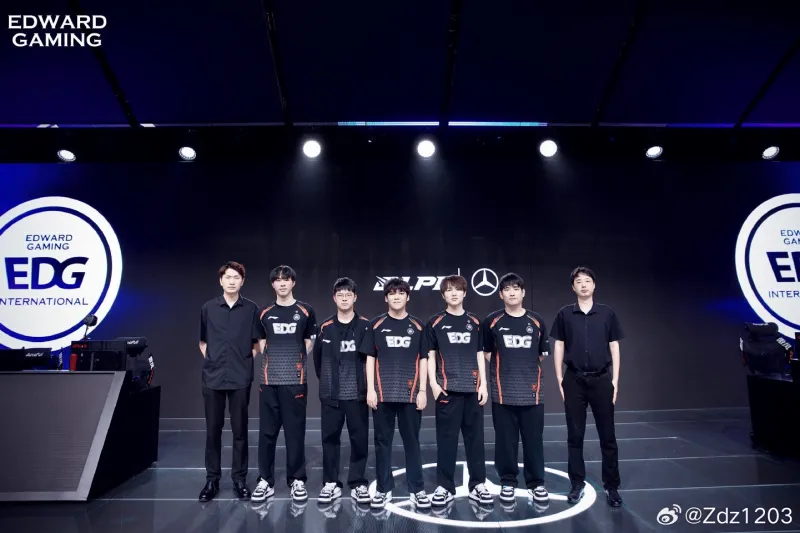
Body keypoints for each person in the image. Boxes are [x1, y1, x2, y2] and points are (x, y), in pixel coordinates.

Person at [551, 266, 623, 507]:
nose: (583, 285)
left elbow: (614, 346)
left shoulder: (607, 313)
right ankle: (576, 483)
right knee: (575, 435)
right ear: (573, 287)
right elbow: (559, 345)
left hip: (602, 379)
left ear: (594, 285)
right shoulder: (565, 314)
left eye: (587, 281)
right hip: (574, 380)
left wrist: (615, 380)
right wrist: (559, 378)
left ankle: (612, 486)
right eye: (579, 281)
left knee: (608, 436)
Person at [198, 261, 264, 502]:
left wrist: (244, 361)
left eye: (236, 277)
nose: (232, 281)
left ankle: (239, 479)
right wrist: (213, 360)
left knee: (240, 431)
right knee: (212, 431)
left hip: (240, 377)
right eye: (228, 277)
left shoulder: (252, 308)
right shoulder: (208, 308)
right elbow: (203, 342)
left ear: (242, 281)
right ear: (221, 280)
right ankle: (212, 480)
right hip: (212, 377)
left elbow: (257, 343)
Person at [482, 272, 550, 507]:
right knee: (505, 441)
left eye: (515, 289)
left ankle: (536, 483)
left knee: (533, 440)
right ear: (501, 294)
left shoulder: (537, 321)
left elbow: (541, 355)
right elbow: (487, 353)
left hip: (532, 391)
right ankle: (508, 482)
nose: (511, 293)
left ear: (523, 292)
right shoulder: (492, 321)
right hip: (503, 391)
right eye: (507, 289)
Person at [425, 275, 493, 507]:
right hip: (447, 391)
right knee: (447, 441)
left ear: (465, 293)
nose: (453, 293)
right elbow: (430, 355)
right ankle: (445, 487)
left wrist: (483, 384)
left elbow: (479, 354)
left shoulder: (475, 322)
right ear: (443, 295)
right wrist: (433, 385)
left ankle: (478, 485)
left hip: (472, 389)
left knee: (476, 440)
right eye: (449, 290)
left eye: (457, 289)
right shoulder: (435, 322)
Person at [252, 265, 317, 503]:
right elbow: (260, 343)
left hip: (296, 382)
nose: (282, 283)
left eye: (286, 279)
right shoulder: (264, 312)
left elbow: (308, 342)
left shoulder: (306, 311)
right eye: (278, 280)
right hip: (269, 381)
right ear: (273, 284)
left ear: (293, 283)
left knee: (295, 433)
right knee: (267, 434)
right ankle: (265, 481)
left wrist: (293, 361)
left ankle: (297, 480)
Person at [366, 278, 431, 509]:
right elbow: (370, 358)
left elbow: (424, 359)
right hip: (382, 394)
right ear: (386, 298)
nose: (396, 297)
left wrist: (422, 390)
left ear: (407, 297)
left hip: (410, 394)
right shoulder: (375, 325)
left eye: (401, 293)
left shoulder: (419, 326)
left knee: (412, 442)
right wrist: (371, 389)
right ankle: (384, 489)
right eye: (392, 293)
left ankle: (417, 489)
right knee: (382, 443)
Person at [312, 277, 373, 506]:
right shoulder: (324, 327)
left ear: (355, 297)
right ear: (334, 298)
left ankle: (357, 483)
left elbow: (371, 359)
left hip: (358, 395)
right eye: (340, 295)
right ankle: (330, 483)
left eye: (348, 294)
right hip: (331, 395)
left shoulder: (366, 326)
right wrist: (328, 382)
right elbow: (318, 361)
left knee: (359, 440)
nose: (344, 298)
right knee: (330, 439)